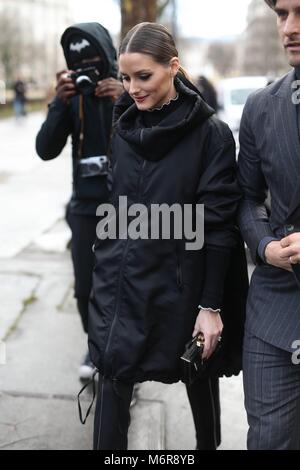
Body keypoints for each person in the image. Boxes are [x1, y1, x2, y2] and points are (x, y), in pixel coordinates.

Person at [87, 22, 247, 450]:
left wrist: (210, 305)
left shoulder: (210, 135)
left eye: (144, 76)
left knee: (199, 379)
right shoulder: (122, 127)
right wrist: (103, 264)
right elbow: (115, 206)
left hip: (183, 287)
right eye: (125, 77)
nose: (132, 88)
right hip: (123, 285)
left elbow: (218, 229)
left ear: (172, 67)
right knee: (111, 382)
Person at [35, 23, 123, 380]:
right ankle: (96, 347)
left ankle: (122, 360)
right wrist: (60, 103)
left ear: (108, 58)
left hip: (128, 210)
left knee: (125, 289)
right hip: (86, 209)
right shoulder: (74, 99)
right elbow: (45, 150)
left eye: (94, 61)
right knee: (86, 289)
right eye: (80, 63)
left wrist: (127, 98)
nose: (88, 69)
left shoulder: (128, 89)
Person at [237, 0, 300, 450]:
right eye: (282, 14)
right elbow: (246, 199)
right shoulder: (261, 106)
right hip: (273, 311)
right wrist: (263, 246)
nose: (290, 28)